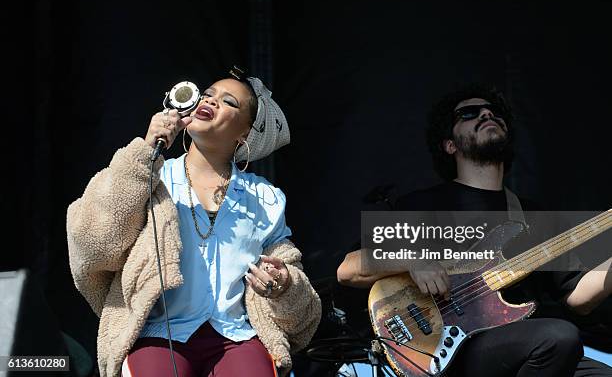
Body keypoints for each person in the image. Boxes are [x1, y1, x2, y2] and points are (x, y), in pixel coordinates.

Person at [337, 84, 612, 377]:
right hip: (455, 350)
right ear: (449, 145)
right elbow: (348, 268)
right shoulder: (424, 205)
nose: (486, 114)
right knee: (559, 337)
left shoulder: (533, 215)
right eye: (469, 113)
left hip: (529, 346)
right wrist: (413, 260)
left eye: (494, 113)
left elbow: (577, 298)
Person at [67, 70, 321, 377]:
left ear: (245, 134)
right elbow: (92, 241)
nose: (211, 101)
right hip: (160, 332)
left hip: (236, 334)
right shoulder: (152, 175)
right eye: (209, 94)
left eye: (228, 102)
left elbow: (290, 275)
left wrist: (282, 283)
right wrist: (146, 150)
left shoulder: (264, 198)